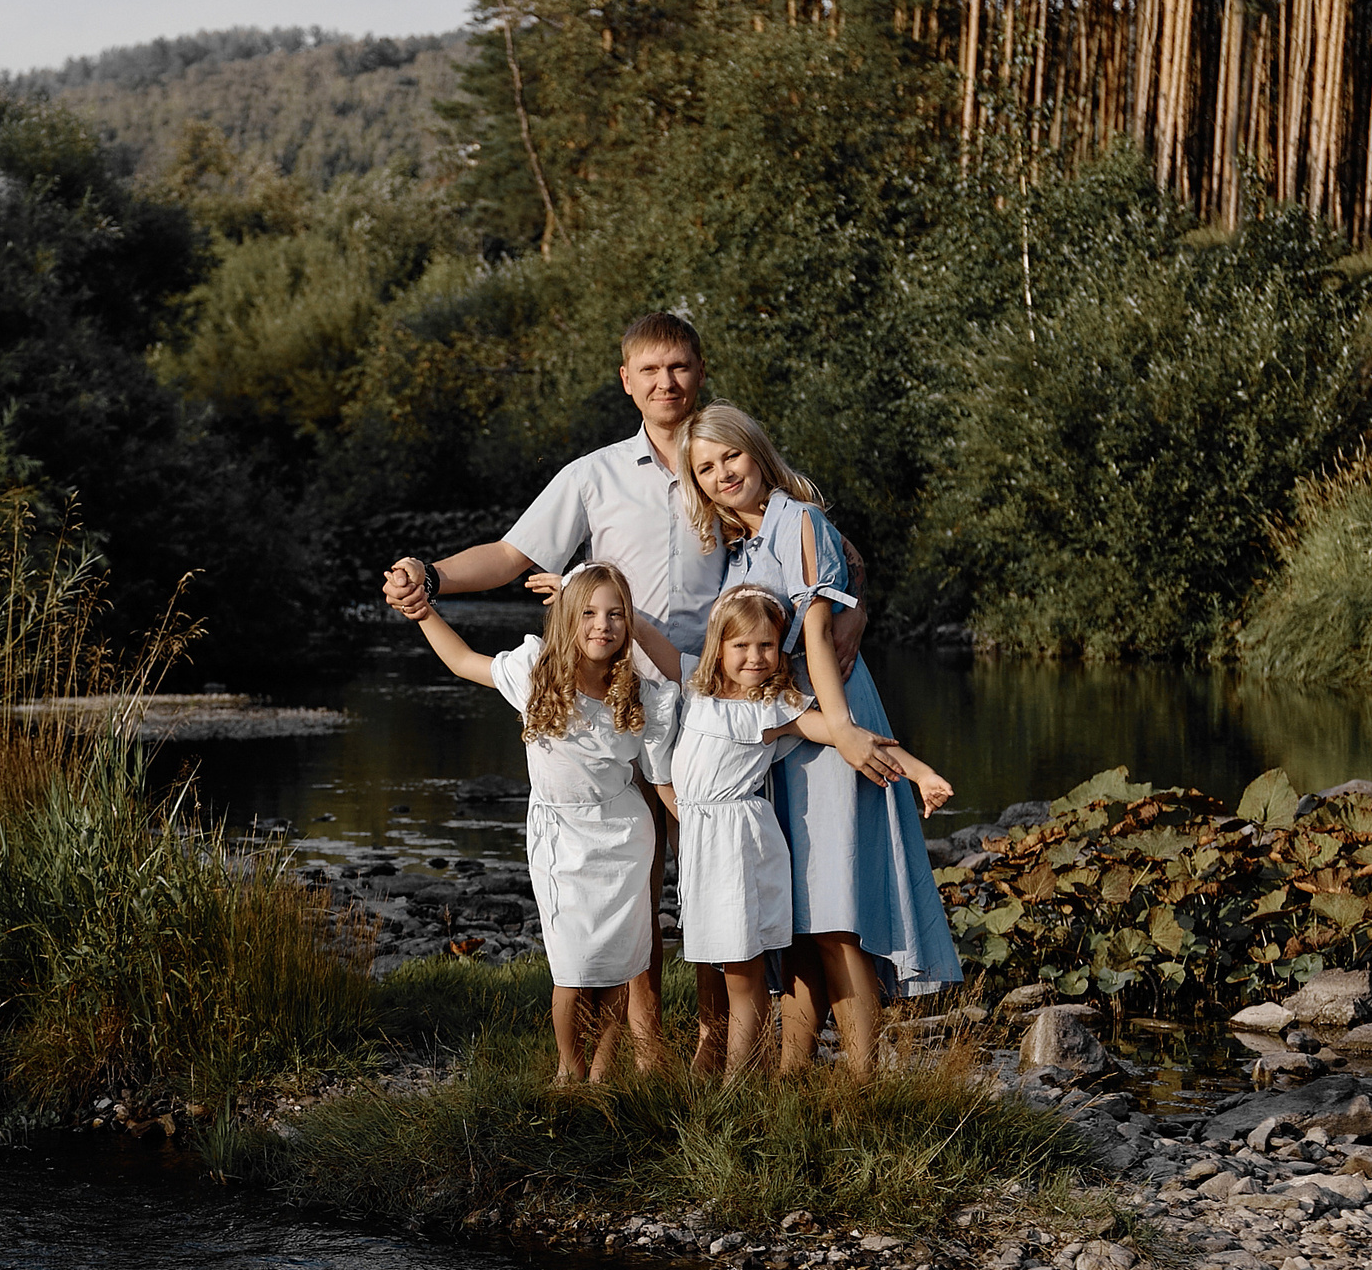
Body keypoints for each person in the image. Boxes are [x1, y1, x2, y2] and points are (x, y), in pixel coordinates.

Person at [380, 312, 869, 1070]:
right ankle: (644, 1050)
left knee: (715, 871)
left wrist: (855, 610)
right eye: (650, 370)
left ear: (699, 371)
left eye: (678, 367)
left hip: (716, 705)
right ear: (626, 382)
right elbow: (510, 554)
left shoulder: (724, 462)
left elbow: (823, 544)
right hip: (622, 701)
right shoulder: (594, 475)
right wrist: (432, 577)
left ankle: (715, 1043)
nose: (665, 382)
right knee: (632, 877)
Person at [679, 404, 963, 1080]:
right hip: (780, 730)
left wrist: (843, 730)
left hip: (826, 712)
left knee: (835, 910)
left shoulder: (797, 519)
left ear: (758, 452)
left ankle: (862, 1080)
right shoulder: (741, 544)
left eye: (731, 457)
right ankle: (792, 1070)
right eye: (706, 468)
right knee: (798, 915)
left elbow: (813, 629)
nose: (723, 474)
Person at [650, 586, 953, 1078]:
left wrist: (920, 773)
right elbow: (650, 641)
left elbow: (846, 736)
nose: (754, 657)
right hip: (703, 848)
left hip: (738, 847)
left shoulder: (771, 710)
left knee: (742, 967)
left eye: (767, 646)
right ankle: (747, 1072)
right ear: (718, 647)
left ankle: (739, 1080)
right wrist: (578, 586)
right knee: (726, 963)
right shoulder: (696, 688)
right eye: (741, 646)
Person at [395, 560, 678, 1083]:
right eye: (588, 613)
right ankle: (569, 1071)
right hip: (560, 838)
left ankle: (601, 1075)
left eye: (616, 614)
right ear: (567, 618)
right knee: (573, 968)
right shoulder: (535, 674)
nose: (603, 625)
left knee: (619, 967)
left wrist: (699, 828)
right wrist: (424, 611)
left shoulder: (642, 695)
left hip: (624, 839)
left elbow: (662, 780)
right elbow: (462, 661)